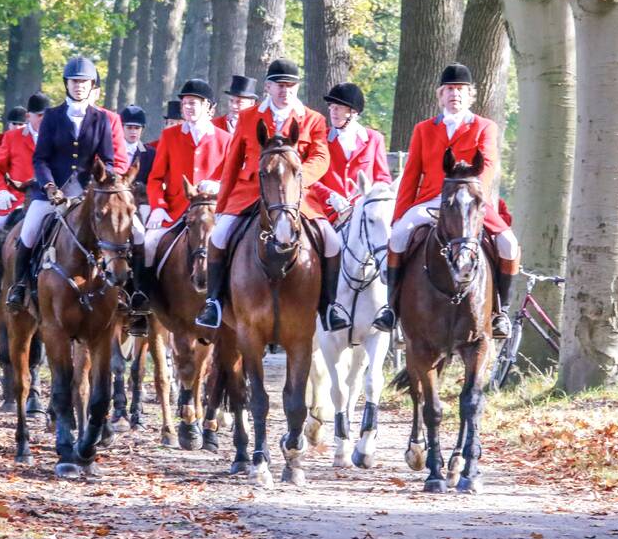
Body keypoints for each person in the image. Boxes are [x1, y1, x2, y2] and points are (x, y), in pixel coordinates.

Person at [195, 59, 351, 332]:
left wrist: (298, 178)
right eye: (279, 85)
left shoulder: (313, 119)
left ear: (297, 87)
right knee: (218, 237)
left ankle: (328, 306)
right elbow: (233, 162)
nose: (285, 90)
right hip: (250, 192)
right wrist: (222, 206)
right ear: (267, 87)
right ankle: (214, 302)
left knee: (331, 241)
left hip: (297, 196)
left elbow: (321, 157)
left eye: (290, 85)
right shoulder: (248, 117)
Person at [374, 63, 520, 338]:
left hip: (470, 202)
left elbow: (487, 165)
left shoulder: (484, 127)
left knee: (508, 245)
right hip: (430, 200)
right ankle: (391, 308)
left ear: (470, 96)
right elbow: (411, 174)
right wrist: (400, 215)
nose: (455, 94)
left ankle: (501, 312)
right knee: (397, 238)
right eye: (450, 90)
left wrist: (473, 198)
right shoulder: (423, 129)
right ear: (440, 95)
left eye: (461, 90)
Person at [6, 56, 119, 311]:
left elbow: (108, 161)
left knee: (123, 232)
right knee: (29, 231)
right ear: (66, 84)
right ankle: (19, 287)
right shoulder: (52, 116)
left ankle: (127, 293)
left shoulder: (100, 119)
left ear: (92, 85)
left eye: (84, 82)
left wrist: (96, 186)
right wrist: (49, 187)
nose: (79, 86)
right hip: (51, 193)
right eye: (74, 81)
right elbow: (41, 158)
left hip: (87, 194)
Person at [133, 80, 232, 334]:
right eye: (186, 103)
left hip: (214, 213)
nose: (188, 107)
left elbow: (232, 179)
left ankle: (238, 301)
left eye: (194, 103)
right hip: (176, 210)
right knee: (148, 243)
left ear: (208, 106)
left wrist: (218, 187)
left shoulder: (225, 139)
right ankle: (142, 301)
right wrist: (158, 206)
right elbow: (155, 178)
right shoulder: (170, 135)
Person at [308, 82, 392, 221]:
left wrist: (371, 194)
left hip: (363, 212)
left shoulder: (374, 139)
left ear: (354, 112)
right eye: (331, 106)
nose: (333, 111)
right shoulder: (321, 138)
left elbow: (382, 178)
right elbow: (311, 178)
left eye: (339, 107)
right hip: (329, 212)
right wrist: (329, 196)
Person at [0, 93, 50, 229]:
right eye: (39, 115)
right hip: (17, 201)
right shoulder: (12, 137)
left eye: (46, 115)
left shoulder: (59, 137)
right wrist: (1, 192)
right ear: (28, 116)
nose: (43, 120)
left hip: (51, 200)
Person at [120, 105, 157, 185]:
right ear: (122, 127)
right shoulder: (112, 150)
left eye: (137, 128)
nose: (133, 131)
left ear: (142, 129)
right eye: (129, 128)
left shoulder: (151, 154)